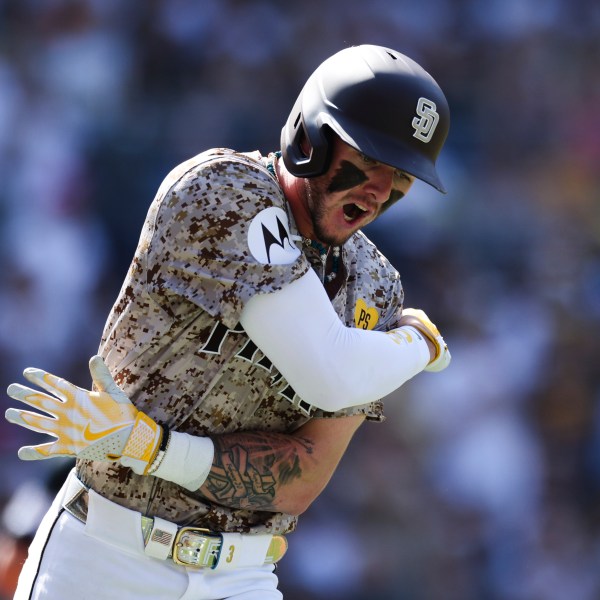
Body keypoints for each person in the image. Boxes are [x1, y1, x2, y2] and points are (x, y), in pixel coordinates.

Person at [5, 44, 451, 600]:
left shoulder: (375, 287)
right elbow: (329, 373)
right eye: (372, 157)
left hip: (240, 575)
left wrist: (156, 449)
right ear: (310, 138)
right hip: (105, 555)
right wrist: (420, 346)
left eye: (402, 173)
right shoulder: (225, 189)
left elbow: (305, 475)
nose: (382, 188)